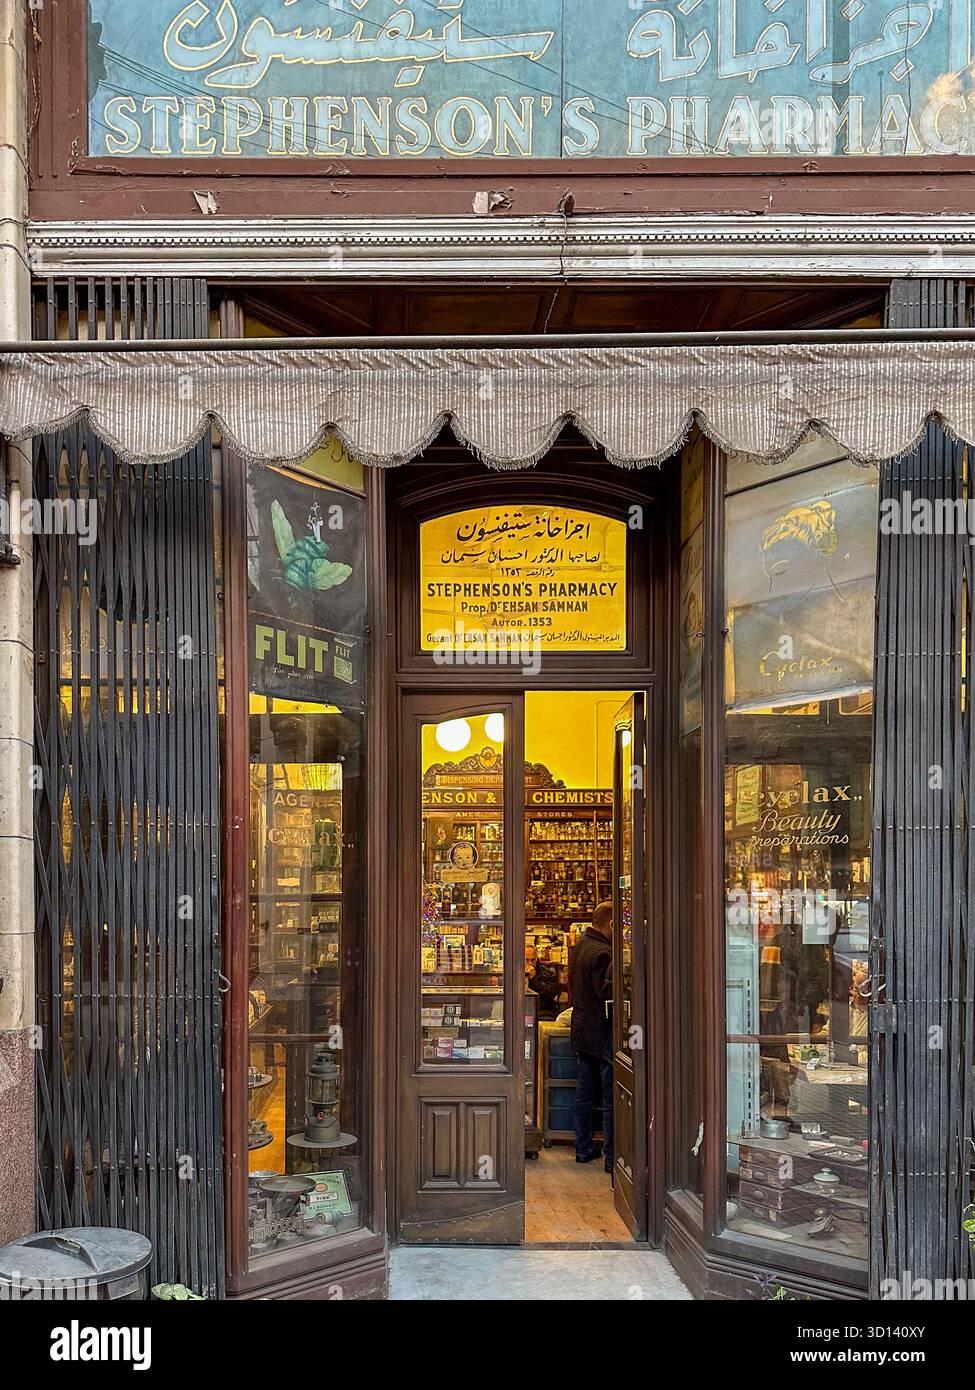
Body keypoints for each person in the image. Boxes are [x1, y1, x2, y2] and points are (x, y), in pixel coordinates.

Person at [568, 901, 614, 1174]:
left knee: (584, 1093)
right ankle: (611, 1156)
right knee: (609, 1097)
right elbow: (605, 995)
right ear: (610, 924)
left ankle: (583, 1148)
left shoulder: (580, 947)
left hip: (582, 1029)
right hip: (602, 1032)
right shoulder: (603, 954)